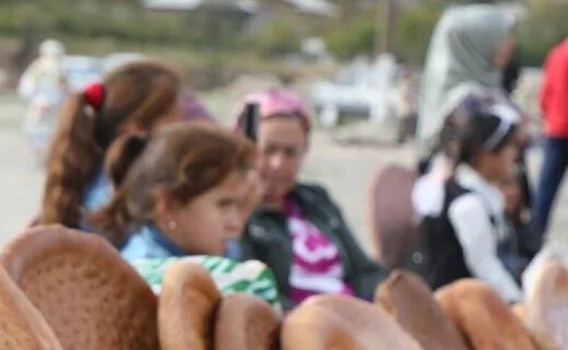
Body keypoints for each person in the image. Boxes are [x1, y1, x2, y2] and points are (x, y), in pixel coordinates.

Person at [236, 89, 387, 305]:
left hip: (352, 317)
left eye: (290, 152)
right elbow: (253, 290)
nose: (279, 164)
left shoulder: (316, 199)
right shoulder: (238, 213)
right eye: (269, 150)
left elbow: (365, 269)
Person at [37, 61, 183, 233]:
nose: (185, 127)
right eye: (176, 117)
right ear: (136, 128)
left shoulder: (85, 184)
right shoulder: (126, 199)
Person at [408, 102, 526, 301]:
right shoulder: (468, 205)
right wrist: (522, 304)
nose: (515, 156)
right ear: (485, 154)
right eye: (509, 148)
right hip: (454, 305)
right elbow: (486, 269)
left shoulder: (484, 196)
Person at [93, 122, 254, 263]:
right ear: (169, 206)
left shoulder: (219, 255)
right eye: (223, 204)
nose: (236, 224)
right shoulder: (146, 280)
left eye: (239, 206)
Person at [414, 5, 517, 168]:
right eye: (501, 38)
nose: (511, 44)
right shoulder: (465, 102)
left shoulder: (489, 89)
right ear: (478, 43)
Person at [533, 36, 568, 235]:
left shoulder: (557, 53)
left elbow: (545, 93)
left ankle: (536, 238)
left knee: (546, 189)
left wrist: (549, 116)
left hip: (556, 129)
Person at [18, 39, 69, 159]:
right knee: (36, 129)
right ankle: (38, 151)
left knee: (55, 131)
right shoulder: (36, 69)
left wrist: (61, 102)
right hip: (39, 107)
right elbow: (26, 87)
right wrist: (38, 101)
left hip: (56, 108)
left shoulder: (62, 70)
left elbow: (64, 90)